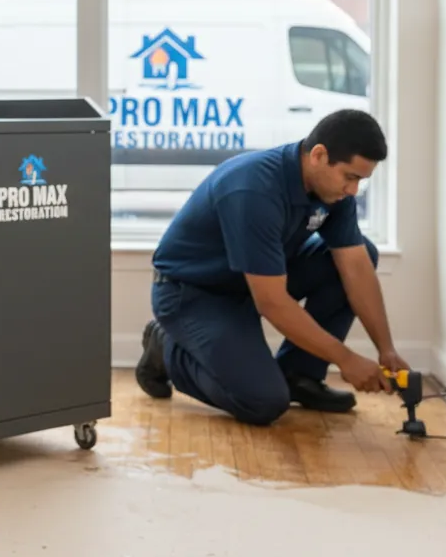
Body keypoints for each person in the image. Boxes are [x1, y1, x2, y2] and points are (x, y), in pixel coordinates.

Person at [134, 109, 409, 426]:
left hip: (255, 282)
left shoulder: (333, 194)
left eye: (360, 181)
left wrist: (386, 350)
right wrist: (345, 359)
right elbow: (272, 303)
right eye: (350, 177)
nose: (353, 191)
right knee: (262, 402)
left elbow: (356, 268)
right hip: (194, 295)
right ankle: (165, 349)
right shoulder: (253, 189)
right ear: (319, 155)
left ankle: (300, 376)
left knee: (361, 254)